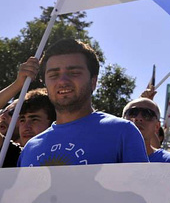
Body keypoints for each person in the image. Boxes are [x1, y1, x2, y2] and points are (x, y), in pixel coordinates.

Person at [18, 38, 148, 166]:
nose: (62, 81)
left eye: (74, 73)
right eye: (54, 75)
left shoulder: (123, 132)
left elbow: (141, 186)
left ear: (93, 81)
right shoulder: (30, 148)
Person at [123, 97, 170, 164]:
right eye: (132, 113)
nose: (138, 118)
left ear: (157, 126)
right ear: (121, 120)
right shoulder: (109, 158)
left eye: (147, 114)